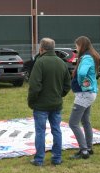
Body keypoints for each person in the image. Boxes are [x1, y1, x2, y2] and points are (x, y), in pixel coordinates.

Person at [28, 38, 71, 166]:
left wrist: (32, 101)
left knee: (40, 131)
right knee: (56, 130)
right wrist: (60, 95)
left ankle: (39, 159)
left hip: (41, 105)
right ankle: (57, 158)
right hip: (56, 104)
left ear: (41, 48)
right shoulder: (61, 62)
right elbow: (67, 84)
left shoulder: (40, 62)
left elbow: (34, 85)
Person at [69, 36, 100, 159]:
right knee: (85, 121)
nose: (76, 48)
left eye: (77, 45)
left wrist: (84, 83)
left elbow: (82, 73)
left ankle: (84, 150)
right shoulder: (90, 56)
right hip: (88, 94)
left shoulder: (87, 57)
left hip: (84, 94)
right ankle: (88, 147)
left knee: (73, 123)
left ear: (81, 45)